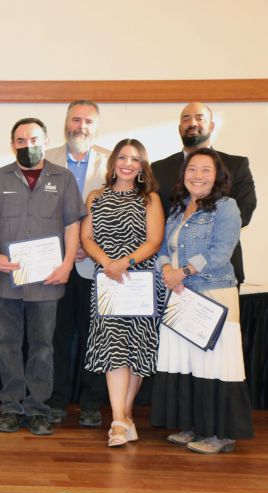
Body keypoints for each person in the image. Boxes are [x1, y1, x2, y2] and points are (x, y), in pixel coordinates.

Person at [0, 118, 83, 436]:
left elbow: (72, 225)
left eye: (34, 139)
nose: (28, 145)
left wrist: (67, 263)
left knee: (42, 346)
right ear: (13, 144)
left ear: (45, 140)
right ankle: (11, 407)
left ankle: (39, 408)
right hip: (4, 279)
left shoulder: (63, 178)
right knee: (7, 344)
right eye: (21, 140)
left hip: (47, 280)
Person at [151, 147, 254, 454]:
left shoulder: (227, 207)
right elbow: (162, 248)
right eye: (192, 170)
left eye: (205, 170)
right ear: (184, 175)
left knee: (216, 363)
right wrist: (168, 269)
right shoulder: (178, 206)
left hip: (213, 293)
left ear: (218, 176)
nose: (197, 176)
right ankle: (194, 426)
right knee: (188, 362)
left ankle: (220, 434)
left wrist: (182, 271)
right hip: (180, 294)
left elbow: (220, 253)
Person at [81, 139, 165, 447]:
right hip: (108, 282)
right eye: (123, 157)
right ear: (113, 161)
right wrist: (107, 263)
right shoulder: (95, 197)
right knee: (114, 345)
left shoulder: (150, 199)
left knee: (137, 349)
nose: (128, 163)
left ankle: (125, 416)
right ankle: (118, 421)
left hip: (140, 280)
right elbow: (86, 237)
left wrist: (126, 262)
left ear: (143, 166)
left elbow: (154, 241)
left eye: (135, 159)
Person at [45, 100, 111, 427]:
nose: (80, 126)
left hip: (94, 266)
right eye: (75, 119)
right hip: (55, 263)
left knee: (93, 336)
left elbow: (119, 211)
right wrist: (70, 245)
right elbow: (39, 212)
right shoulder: (46, 159)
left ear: (96, 127)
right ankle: (56, 400)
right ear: (66, 123)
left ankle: (90, 404)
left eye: (87, 121)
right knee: (55, 335)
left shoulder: (114, 162)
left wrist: (88, 245)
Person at [151, 102, 256, 285]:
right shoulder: (159, 169)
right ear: (179, 128)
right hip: (171, 279)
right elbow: (157, 220)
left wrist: (188, 267)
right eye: (186, 118)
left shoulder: (236, 165)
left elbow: (243, 213)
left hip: (216, 276)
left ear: (212, 126)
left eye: (200, 118)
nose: (193, 123)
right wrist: (169, 269)